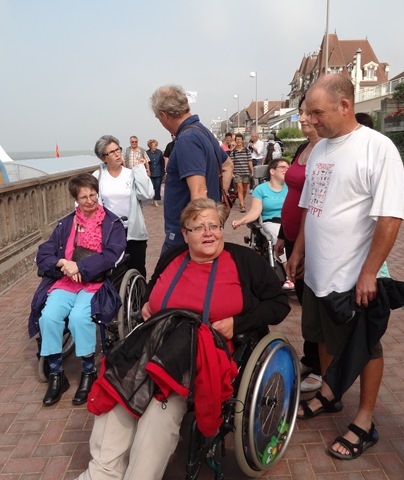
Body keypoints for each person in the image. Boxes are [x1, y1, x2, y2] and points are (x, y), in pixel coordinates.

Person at [75, 198, 290, 480]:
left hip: (202, 353)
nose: (209, 232)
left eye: (214, 225)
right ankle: (101, 472)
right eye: (199, 227)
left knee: (159, 407)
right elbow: (154, 282)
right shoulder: (173, 256)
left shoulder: (245, 261)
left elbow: (279, 303)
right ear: (185, 233)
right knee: (120, 385)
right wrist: (148, 302)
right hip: (157, 340)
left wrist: (239, 322)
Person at [286, 74, 404, 460]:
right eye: (308, 113)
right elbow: (311, 207)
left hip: (353, 274)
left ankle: (365, 421)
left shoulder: (377, 148)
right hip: (318, 271)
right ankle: (330, 394)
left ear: (345, 105)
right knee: (321, 336)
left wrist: (370, 271)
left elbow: (390, 217)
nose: (312, 120)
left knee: (365, 346)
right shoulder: (320, 149)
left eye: (317, 112)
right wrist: (299, 250)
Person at [28, 173, 127, 406]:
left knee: (80, 318)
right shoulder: (66, 224)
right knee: (49, 317)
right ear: (75, 199)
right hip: (67, 281)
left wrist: (81, 266)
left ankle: (88, 370)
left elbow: (114, 254)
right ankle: (56, 374)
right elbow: (44, 252)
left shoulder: (111, 223)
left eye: (93, 194)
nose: (90, 200)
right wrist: (62, 263)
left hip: (95, 282)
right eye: (84, 197)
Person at [274, 94, 323, 393]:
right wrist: (282, 234)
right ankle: (311, 356)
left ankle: (321, 365)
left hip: (312, 240)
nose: (302, 118)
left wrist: (301, 247)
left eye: (307, 113)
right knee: (305, 300)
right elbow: (293, 196)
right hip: (292, 237)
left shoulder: (325, 151)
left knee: (314, 301)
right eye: (300, 112)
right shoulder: (304, 148)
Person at [150, 84, 230, 254]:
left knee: (164, 278)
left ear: (164, 115)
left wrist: (197, 236)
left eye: (158, 117)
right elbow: (228, 165)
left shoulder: (187, 139)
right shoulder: (203, 131)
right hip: (202, 230)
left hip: (184, 237)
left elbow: (199, 191)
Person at [93, 135, 154, 277]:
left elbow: (147, 194)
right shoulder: (97, 177)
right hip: (110, 233)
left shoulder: (131, 174)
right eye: (112, 152)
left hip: (133, 231)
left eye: (118, 150)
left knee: (137, 269)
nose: (117, 154)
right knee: (114, 272)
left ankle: (139, 298)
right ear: (103, 158)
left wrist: (140, 171)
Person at [232, 158, 291, 289]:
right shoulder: (261, 189)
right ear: (272, 171)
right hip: (272, 222)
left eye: (288, 167)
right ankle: (290, 277)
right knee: (279, 238)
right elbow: (255, 211)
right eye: (282, 167)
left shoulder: (292, 187)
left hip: (291, 222)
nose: (286, 170)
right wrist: (241, 221)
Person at [229, 133, 253, 213]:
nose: (238, 141)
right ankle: (242, 205)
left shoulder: (246, 151)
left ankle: (242, 200)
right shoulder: (233, 152)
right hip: (237, 173)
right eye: (237, 139)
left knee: (245, 189)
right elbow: (231, 164)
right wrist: (232, 173)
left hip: (246, 172)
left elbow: (249, 161)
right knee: (240, 188)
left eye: (240, 139)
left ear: (242, 140)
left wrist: (252, 171)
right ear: (235, 141)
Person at [146, 139, 165, 207]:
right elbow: (146, 163)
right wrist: (148, 171)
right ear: (150, 146)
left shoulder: (159, 152)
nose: (155, 147)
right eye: (153, 146)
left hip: (158, 172)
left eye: (156, 145)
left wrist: (163, 171)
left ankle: (155, 200)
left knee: (157, 186)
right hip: (151, 172)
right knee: (152, 187)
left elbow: (162, 162)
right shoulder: (147, 153)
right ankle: (153, 199)